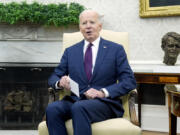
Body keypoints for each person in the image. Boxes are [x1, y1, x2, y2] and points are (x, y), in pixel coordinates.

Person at [46, 10, 136, 135]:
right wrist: (59, 83)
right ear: (80, 28)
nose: (88, 26)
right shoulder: (70, 51)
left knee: (79, 108)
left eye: (92, 22)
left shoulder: (116, 50)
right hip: (76, 99)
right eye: (84, 23)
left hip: (104, 103)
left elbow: (129, 81)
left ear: (100, 26)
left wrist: (103, 93)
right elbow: (54, 76)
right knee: (52, 108)